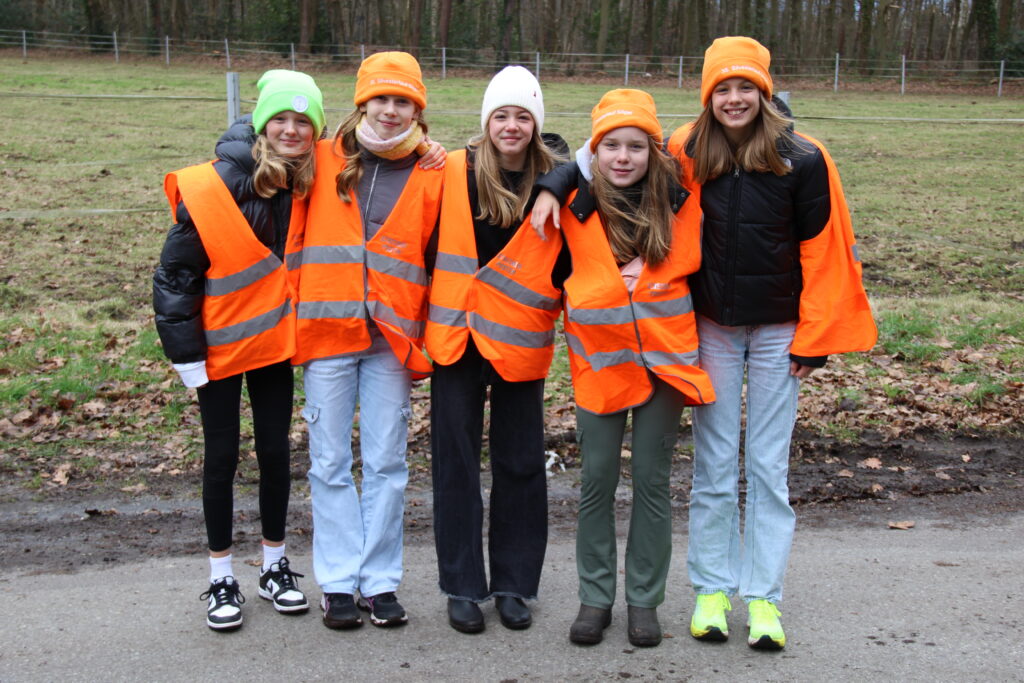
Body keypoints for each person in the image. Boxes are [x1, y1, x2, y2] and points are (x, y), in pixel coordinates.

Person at [666, 36, 877, 650]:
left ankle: (763, 599)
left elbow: (824, 250)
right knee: (712, 464)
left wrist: (815, 337)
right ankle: (711, 590)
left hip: (779, 332)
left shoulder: (803, 157)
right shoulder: (683, 150)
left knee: (766, 466)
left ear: (764, 91)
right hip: (712, 327)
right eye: (722, 89)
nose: (734, 99)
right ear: (708, 95)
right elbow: (613, 169)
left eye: (745, 87)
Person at [491, 89, 715, 647]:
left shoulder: (680, 202)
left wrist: (650, 275)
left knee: (652, 483)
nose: (623, 156)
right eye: (611, 145)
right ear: (594, 152)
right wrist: (555, 183)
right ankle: (595, 599)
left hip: (665, 364)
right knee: (596, 480)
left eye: (636, 146)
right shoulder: (572, 204)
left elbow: (689, 258)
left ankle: (644, 602)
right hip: (600, 365)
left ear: (653, 151)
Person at [154, 69, 324, 631]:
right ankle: (221, 576)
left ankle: (274, 567)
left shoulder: (314, 179)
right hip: (219, 348)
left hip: (274, 344)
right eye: (281, 119)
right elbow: (176, 275)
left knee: (275, 452)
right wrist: (185, 354)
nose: (291, 130)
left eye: (303, 121)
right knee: (222, 457)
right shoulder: (218, 183)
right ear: (262, 123)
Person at [294, 51, 444, 631]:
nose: (390, 110)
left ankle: (379, 582)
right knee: (329, 462)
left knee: (386, 463)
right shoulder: (320, 156)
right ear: (362, 103)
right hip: (327, 332)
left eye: (402, 101)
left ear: (417, 110)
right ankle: (337, 582)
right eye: (380, 98)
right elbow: (257, 146)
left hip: (393, 338)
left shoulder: (433, 169)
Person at [425, 66, 568, 634]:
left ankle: (514, 584)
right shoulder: (451, 170)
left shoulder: (557, 178)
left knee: (521, 463)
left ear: (537, 124)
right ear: (486, 121)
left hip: (520, 340)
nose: (512, 126)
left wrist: (560, 180)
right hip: (456, 337)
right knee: (455, 464)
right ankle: (462, 585)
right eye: (501, 115)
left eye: (523, 116)